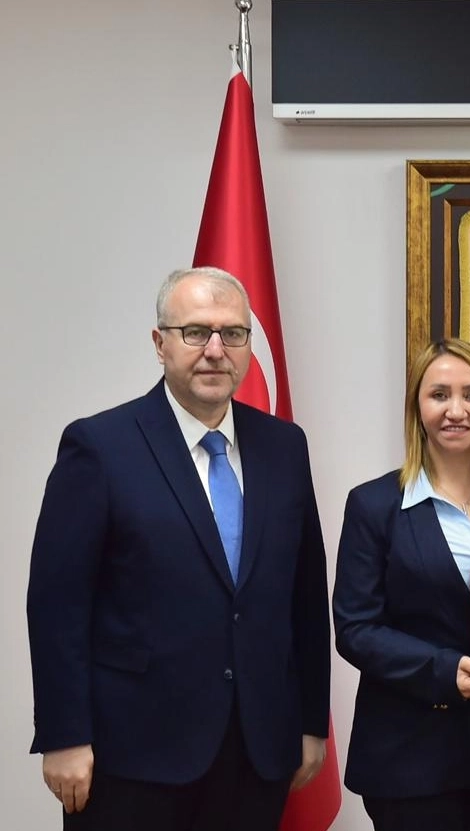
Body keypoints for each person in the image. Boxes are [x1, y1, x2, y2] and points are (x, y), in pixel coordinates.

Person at [26, 267, 331, 830]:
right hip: (132, 753)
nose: (215, 350)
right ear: (159, 343)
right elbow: (57, 604)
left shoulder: (285, 447)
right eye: (195, 332)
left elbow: (306, 596)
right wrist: (65, 734)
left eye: (232, 333)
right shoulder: (100, 446)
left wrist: (313, 720)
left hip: (257, 748)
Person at [334, 337, 470, 831]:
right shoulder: (374, 506)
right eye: (439, 395)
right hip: (408, 755)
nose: (456, 410)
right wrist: (442, 669)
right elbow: (355, 629)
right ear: (417, 407)